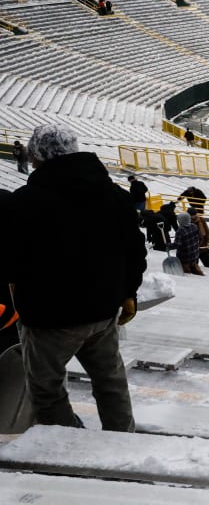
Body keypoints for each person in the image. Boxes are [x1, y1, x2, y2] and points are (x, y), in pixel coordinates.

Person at [0, 123, 145, 431]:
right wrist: (129, 292)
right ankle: (124, 440)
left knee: (46, 390)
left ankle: (71, 444)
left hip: (50, 320)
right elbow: (135, 249)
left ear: (38, 156)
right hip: (104, 312)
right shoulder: (114, 195)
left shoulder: (26, 202)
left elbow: (10, 259)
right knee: (111, 382)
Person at [173, 211, 205, 276]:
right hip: (194, 255)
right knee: (195, 268)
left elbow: (177, 245)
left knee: (187, 274)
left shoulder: (180, 230)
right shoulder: (194, 226)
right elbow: (200, 237)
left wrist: (169, 245)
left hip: (184, 257)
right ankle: (200, 275)